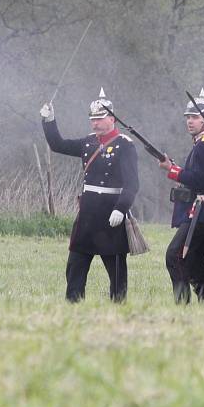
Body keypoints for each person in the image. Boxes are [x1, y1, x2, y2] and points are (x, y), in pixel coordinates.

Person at [40, 88, 139, 302]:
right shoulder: (88, 142)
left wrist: (121, 209)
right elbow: (58, 145)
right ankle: (73, 304)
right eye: (92, 119)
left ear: (111, 119)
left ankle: (119, 306)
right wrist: (49, 120)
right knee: (76, 264)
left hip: (111, 211)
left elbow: (132, 184)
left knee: (116, 269)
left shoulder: (125, 145)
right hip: (88, 213)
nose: (95, 123)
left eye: (99, 119)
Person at [159, 89, 204, 304]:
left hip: (201, 209)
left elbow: (201, 179)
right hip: (203, 209)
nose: (190, 121)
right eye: (188, 117)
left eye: (195, 117)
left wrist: (171, 170)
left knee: (175, 255)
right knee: (196, 261)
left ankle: (182, 303)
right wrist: (175, 168)